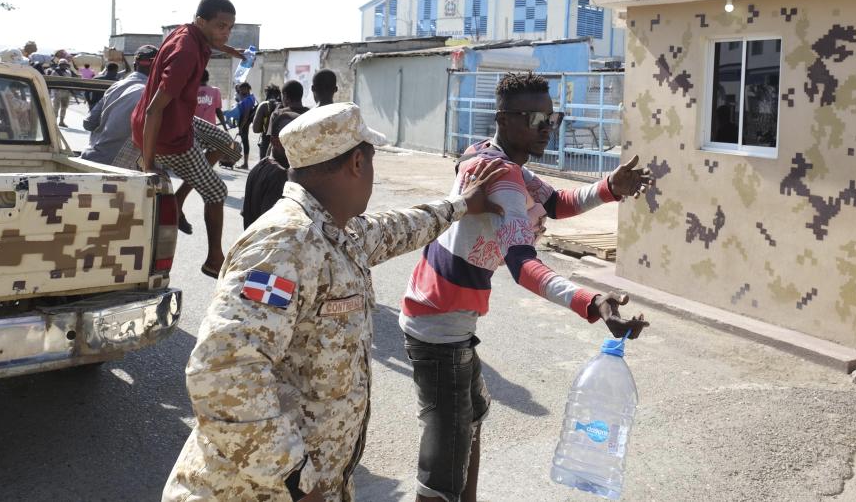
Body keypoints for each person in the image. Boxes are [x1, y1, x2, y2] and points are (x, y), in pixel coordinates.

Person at [162, 102, 507, 502]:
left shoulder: (338, 231)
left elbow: (398, 227)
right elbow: (222, 374)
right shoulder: (284, 244)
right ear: (358, 163)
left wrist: (463, 204)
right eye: (373, 163)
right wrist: (297, 481)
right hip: (258, 491)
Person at [399, 72, 651, 502]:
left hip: (444, 319)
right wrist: (590, 301)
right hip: (438, 327)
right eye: (536, 118)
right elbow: (523, 264)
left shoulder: (495, 158)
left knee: (471, 421)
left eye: (552, 118)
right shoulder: (501, 176)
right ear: (503, 118)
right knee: (444, 468)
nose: (547, 128)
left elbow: (555, 202)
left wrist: (610, 188)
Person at [131, 0, 245, 278]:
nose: (226, 32)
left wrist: (233, 51)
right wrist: (148, 164)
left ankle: (181, 198)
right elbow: (155, 110)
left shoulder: (190, 33)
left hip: (179, 117)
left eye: (230, 27)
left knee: (229, 145)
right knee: (217, 191)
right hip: (167, 135)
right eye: (221, 26)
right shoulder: (186, 53)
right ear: (201, 21)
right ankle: (213, 259)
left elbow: (213, 39)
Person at [81, 46, 159, 165]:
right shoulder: (154, 97)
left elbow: (88, 123)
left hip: (90, 158)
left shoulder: (115, 86)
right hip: (119, 169)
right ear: (158, 68)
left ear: (134, 65)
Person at [240, 109, 298, 229]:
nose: (300, 145)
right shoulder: (281, 175)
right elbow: (272, 227)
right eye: (294, 140)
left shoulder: (260, 165)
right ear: (275, 142)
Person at [230, 82, 257, 169]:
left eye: (242, 89)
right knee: (245, 142)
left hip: (244, 123)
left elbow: (246, 116)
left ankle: (245, 164)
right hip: (244, 122)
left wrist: (241, 127)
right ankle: (245, 163)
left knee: (245, 142)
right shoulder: (251, 97)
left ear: (246, 89)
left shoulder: (247, 100)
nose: (240, 91)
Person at [252, 83, 281, 159]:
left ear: (267, 93)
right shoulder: (285, 105)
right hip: (282, 145)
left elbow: (255, 129)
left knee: (265, 168)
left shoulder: (265, 105)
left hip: (266, 142)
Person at [45, 58, 76, 127]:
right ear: (60, 65)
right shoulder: (55, 72)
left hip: (66, 92)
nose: (64, 66)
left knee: (64, 107)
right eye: (62, 64)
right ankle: (54, 122)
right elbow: (52, 82)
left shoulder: (68, 72)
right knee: (56, 107)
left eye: (65, 64)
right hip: (57, 92)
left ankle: (61, 121)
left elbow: (70, 81)